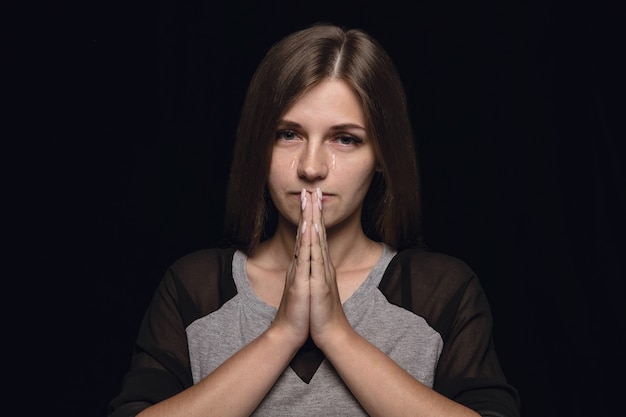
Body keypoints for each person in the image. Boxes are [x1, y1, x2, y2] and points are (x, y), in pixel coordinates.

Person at [108, 23, 520, 417]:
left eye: (345, 139)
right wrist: (282, 333)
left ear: (381, 155)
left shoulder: (440, 291)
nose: (310, 167)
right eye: (288, 134)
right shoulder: (194, 287)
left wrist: (336, 334)